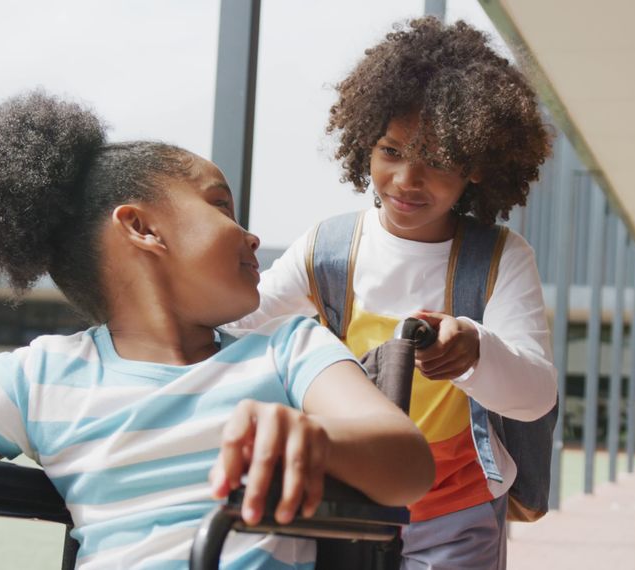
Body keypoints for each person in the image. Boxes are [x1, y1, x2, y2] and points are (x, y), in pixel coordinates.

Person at [0, 90, 434, 569]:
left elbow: (407, 464)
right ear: (142, 228)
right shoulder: (40, 375)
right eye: (220, 206)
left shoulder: (290, 348)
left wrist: (317, 441)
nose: (251, 235)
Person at [231, 17, 557, 568]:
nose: (407, 179)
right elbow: (237, 327)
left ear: (476, 166)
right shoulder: (328, 248)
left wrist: (474, 349)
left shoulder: (500, 257)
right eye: (391, 151)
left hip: (457, 508)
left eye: (437, 160)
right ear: (365, 145)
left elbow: (535, 394)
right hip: (349, 500)